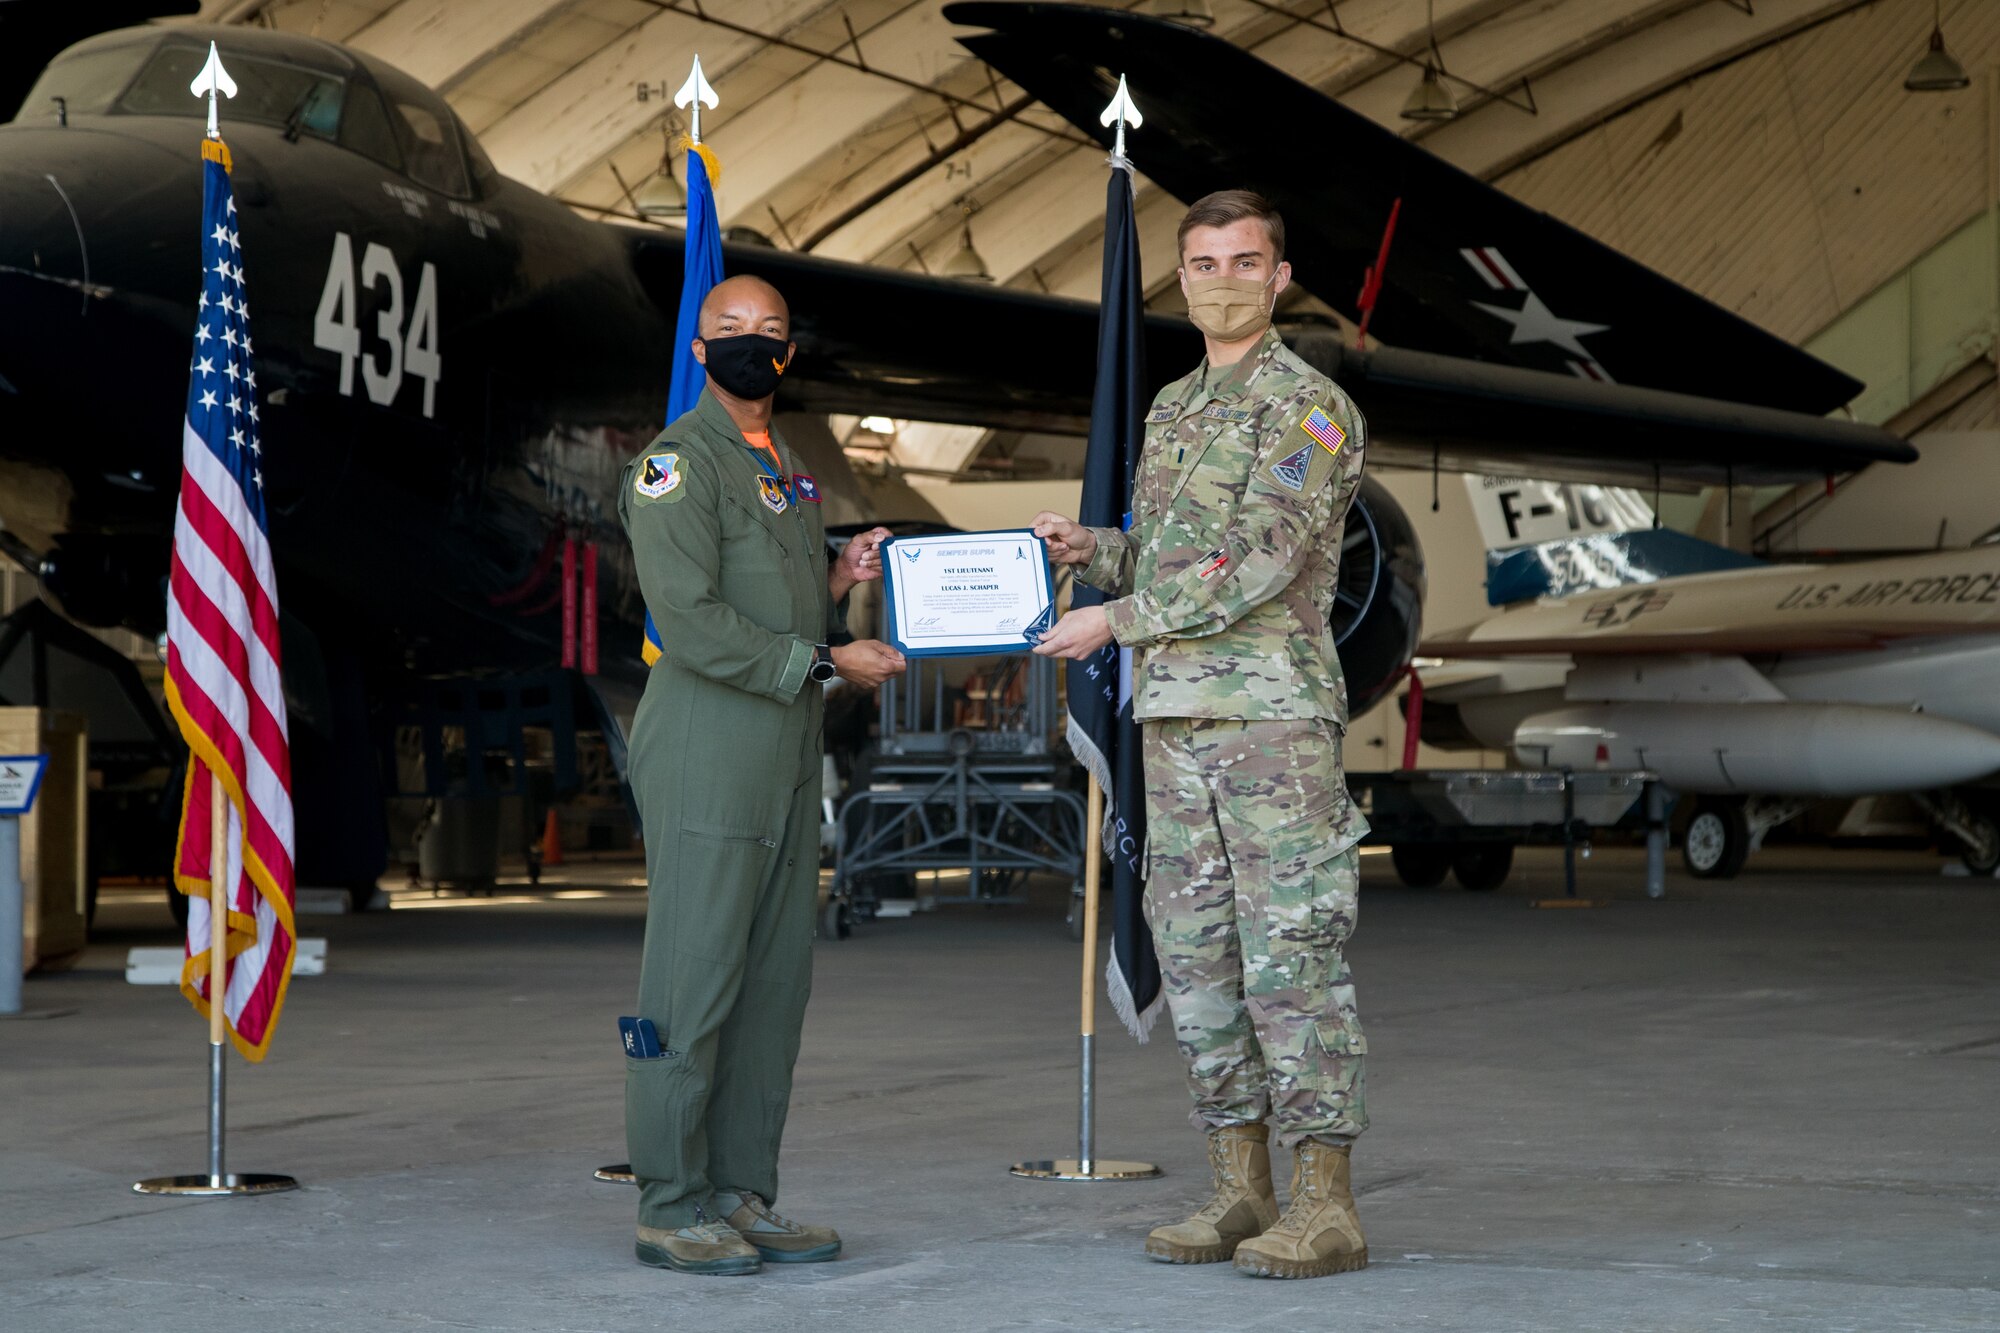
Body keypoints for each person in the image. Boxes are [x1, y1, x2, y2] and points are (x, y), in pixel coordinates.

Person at [1032, 191, 1371, 1280]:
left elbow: (1262, 559)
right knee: (1199, 958)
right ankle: (1238, 1188)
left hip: (1270, 727)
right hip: (1174, 726)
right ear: (1179, 280)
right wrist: (1092, 549)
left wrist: (1113, 619)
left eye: (1244, 259)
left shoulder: (1309, 410)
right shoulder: (1175, 406)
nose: (1221, 277)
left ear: (1278, 278)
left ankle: (1325, 1204)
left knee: (1290, 961)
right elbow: (1172, 562)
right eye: (1202, 261)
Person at [617, 274, 906, 1276]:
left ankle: (739, 1191)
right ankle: (668, 1198)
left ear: (788, 353)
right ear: (698, 351)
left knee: (773, 981)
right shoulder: (675, 464)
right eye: (730, 329)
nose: (752, 343)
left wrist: (835, 584)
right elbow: (690, 621)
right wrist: (827, 661)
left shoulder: (782, 465)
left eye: (771, 331)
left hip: (783, 738)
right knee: (693, 976)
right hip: (709, 738)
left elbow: (774, 602)